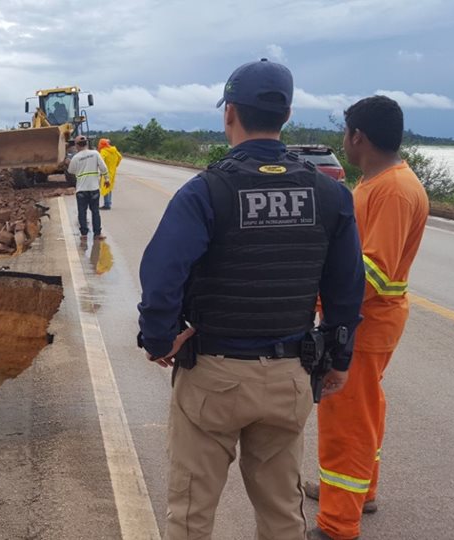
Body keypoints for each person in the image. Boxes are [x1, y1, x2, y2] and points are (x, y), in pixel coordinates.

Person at [137, 58, 365, 540]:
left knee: (192, 515)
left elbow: (162, 275)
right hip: (290, 377)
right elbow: (347, 288)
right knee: (283, 514)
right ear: (285, 116)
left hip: (213, 376)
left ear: (229, 114)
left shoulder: (206, 191)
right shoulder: (328, 195)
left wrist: (159, 340)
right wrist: (340, 357)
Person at [305, 96, 430, 540]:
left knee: (347, 417)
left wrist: (320, 302)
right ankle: (360, 492)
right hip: (365, 319)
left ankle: (339, 523)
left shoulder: (394, 190)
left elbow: (372, 271)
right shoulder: (378, 183)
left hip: (364, 320)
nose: (344, 140)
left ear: (357, 136)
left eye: (346, 133)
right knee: (365, 407)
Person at [67, 135, 108, 241]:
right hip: (94, 189)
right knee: (95, 212)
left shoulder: (75, 157)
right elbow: (103, 168)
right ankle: (97, 233)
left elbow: (71, 171)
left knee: (82, 212)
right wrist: (107, 179)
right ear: (87, 143)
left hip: (81, 190)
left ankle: (84, 234)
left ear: (76, 145)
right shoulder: (95, 154)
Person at [98, 138, 123, 209]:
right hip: (113, 171)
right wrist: (115, 165)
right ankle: (108, 203)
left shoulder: (104, 151)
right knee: (109, 187)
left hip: (106, 172)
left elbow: (100, 160)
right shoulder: (113, 150)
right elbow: (120, 157)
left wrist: (100, 169)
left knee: (105, 187)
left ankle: (107, 205)